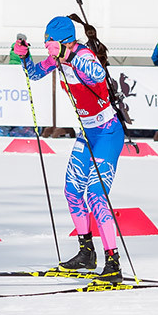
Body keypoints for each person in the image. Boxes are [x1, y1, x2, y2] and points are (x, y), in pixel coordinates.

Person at [15, 16, 126, 281]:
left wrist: (69, 56)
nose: (48, 48)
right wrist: (24, 56)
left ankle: (113, 262)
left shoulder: (83, 55)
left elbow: (98, 74)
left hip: (108, 133)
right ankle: (86, 253)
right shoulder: (57, 59)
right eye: (46, 43)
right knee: (72, 191)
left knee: (96, 196)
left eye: (50, 43)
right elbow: (34, 74)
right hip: (87, 133)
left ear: (64, 42)